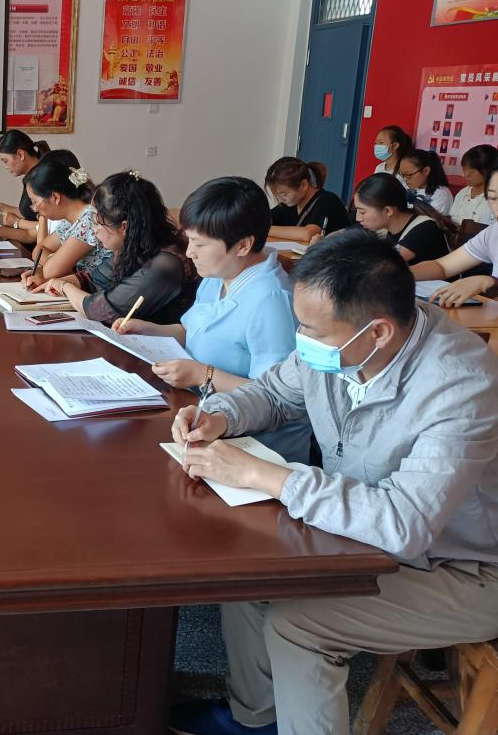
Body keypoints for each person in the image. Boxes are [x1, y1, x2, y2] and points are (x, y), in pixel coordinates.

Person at [166, 230, 498, 735]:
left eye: (311, 330)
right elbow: (274, 393)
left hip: (465, 569)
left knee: (298, 625)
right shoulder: (341, 342)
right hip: (363, 532)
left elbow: (405, 524)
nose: (301, 340)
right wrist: (221, 415)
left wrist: (266, 476)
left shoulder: (459, 387)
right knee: (246, 573)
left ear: (378, 332)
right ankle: (256, 719)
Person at [116, 177, 311, 464]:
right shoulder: (219, 275)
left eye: (199, 244)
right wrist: (147, 330)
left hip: (257, 446)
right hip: (201, 414)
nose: (189, 252)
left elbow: (275, 396)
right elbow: (192, 330)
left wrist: (202, 375)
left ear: (242, 245)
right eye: (189, 240)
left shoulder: (271, 301)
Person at [43, 171, 196, 325]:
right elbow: (93, 280)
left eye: (96, 222)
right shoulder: (134, 246)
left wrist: (64, 286)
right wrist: (54, 282)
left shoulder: (165, 264)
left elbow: (103, 312)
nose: (94, 229)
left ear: (124, 227)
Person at [17, 155, 113, 292]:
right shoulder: (70, 220)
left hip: (101, 295)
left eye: (35, 202)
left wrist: (52, 266)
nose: (35, 209)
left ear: (55, 197)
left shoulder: (89, 219)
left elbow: (50, 271)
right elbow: (39, 249)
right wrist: (51, 265)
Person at [412, 162, 498, 306]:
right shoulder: (493, 233)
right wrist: (400, 274)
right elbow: (442, 266)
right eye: (493, 198)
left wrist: (488, 281)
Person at [0, 130, 51, 244]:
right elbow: (30, 214)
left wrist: (17, 222)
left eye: (5, 161)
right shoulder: (31, 177)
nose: (5, 167)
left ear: (20, 154)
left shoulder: (44, 178)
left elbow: (50, 226)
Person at [351, 173, 448, 265]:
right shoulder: (386, 229)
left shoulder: (424, 229)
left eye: (362, 212)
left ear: (388, 211)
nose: (358, 218)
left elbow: (378, 264)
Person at [263, 157, 348, 241]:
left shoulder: (328, 201)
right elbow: (264, 218)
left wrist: (264, 229)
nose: (281, 199)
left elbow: (308, 234)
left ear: (303, 185)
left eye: (284, 194)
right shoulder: (290, 204)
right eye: (277, 195)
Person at [448, 144, 497, 225]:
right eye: (464, 169)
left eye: (473, 171)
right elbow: (453, 221)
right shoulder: (463, 193)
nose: (465, 175)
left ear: (488, 170)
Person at [397, 149, 452, 215]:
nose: (405, 179)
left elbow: (432, 220)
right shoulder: (406, 186)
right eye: (402, 174)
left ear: (426, 171)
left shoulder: (441, 195)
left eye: (408, 175)